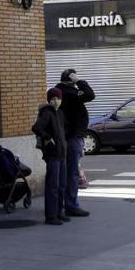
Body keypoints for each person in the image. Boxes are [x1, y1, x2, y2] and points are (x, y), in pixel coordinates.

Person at [56, 69, 94, 218]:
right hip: (72, 137)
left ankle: (61, 204)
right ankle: (71, 205)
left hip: (67, 136)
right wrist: (79, 81)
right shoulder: (69, 93)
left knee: (66, 172)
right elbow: (90, 94)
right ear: (71, 79)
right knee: (71, 173)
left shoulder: (60, 91)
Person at [32, 88, 70, 226]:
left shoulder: (60, 113)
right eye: (53, 99)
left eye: (58, 98)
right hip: (53, 154)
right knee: (53, 186)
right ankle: (51, 216)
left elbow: (63, 131)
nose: (56, 101)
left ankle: (60, 212)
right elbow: (36, 127)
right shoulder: (47, 113)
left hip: (62, 154)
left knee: (62, 185)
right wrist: (48, 138)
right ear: (49, 100)